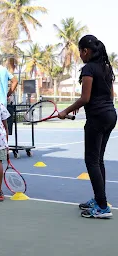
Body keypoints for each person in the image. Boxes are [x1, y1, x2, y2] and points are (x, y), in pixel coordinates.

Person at [58, 35, 117, 219]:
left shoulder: (89, 68)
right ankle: (100, 199)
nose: (80, 56)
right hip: (110, 116)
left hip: (97, 119)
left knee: (91, 161)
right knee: (98, 160)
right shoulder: (106, 68)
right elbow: (110, 94)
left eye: (80, 52)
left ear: (85, 51)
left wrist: (65, 111)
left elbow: (85, 98)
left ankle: (102, 207)